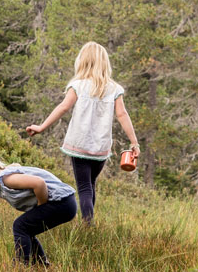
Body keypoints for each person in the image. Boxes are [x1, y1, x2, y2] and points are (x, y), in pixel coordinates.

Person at [25, 41, 140, 224]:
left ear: (83, 62)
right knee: (90, 184)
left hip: (79, 145)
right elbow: (122, 114)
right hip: (101, 148)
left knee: (84, 187)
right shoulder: (114, 89)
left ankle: (87, 225)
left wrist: (42, 127)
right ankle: (89, 221)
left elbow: (63, 107)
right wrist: (134, 142)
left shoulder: (78, 85)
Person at [0, 145, 77, 266]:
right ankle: (40, 264)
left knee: (20, 226)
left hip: (61, 201)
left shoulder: (7, 179)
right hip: (65, 202)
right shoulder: (3, 183)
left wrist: (41, 206)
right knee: (27, 229)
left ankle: (21, 265)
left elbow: (39, 183)